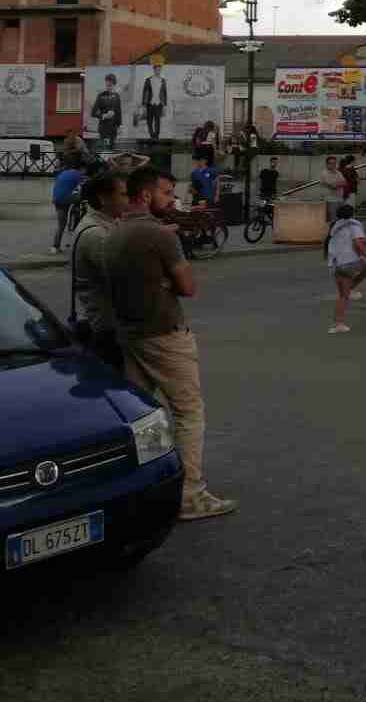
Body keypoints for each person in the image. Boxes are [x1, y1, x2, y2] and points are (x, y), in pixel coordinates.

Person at [105, 166, 235, 521]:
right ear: (146, 195)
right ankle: (190, 494)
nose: (171, 199)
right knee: (188, 412)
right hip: (165, 333)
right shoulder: (159, 236)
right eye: (165, 193)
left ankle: (152, 483)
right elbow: (188, 287)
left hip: (132, 334)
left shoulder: (114, 232)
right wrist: (168, 278)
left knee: (144, 414)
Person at [70, 169, 128, 370]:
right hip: (107, 329)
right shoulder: (96, 234)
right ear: (103, 198)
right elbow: (125, 278)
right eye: (124, 194)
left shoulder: (108, 224)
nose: (129, 200)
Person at [324, 203, 366, 334]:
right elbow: (358, 244)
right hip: (348, 262)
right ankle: (351, 289)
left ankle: (337, 323)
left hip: (335, 264)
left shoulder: (335, 226)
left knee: (342, 296)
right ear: (352, 214)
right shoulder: (354, 226)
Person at [50, 159, 84, 252]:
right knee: (79, 201)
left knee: (61, 224)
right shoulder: (78, 174)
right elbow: (83, 187)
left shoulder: (63, 173)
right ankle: (76, 216)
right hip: (66, 199)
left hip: (56, 199)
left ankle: (55, 247)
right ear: (81, 168)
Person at [90, 73, 123, 149]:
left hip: (113, 129)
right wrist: (104, 115)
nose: (108, 87)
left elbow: (119, 112)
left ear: (114, 85)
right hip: (103, 129)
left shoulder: (117, 96)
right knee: (105, 149)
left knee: (112, 148)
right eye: (107, 85)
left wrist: (120, 125)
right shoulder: (100, 96)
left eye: (110, 85)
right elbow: (93, 113)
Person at [139, 63, 168, 140]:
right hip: (150, 104)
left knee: (157, 121)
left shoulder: (163, 80)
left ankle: (156, 136)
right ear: (154, 70)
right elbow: (145, 92)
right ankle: (152, 135)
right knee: (149, 121)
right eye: (157, 70)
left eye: (159, 70)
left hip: (159, 104)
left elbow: (164, 93)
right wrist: (144, 105)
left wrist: (164, 105)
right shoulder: (148, 80)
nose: (158, 71)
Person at [319, 156, 345, 223]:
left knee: (340, 219)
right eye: (331, 163)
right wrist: (338, 183)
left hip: (339, 199)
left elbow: (344, 182)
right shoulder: (324, 173)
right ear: (327, 164)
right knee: (332, 220)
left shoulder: (338, 172)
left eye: (334, 163)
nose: (333, 165)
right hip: (330, 199)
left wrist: (337, 184)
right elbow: (333, 186)